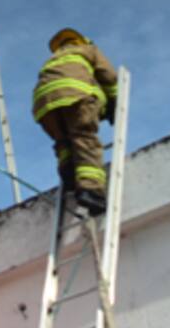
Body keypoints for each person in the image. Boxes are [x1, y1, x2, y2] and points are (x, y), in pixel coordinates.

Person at [33, 27, 118, 215]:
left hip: (44, 105)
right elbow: (108, 75)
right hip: (75, 96)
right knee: (83, 137)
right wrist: (114, 100)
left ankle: (69, 174)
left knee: (64, 142)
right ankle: (91, 191)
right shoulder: (88, 50)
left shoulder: (52, 60)